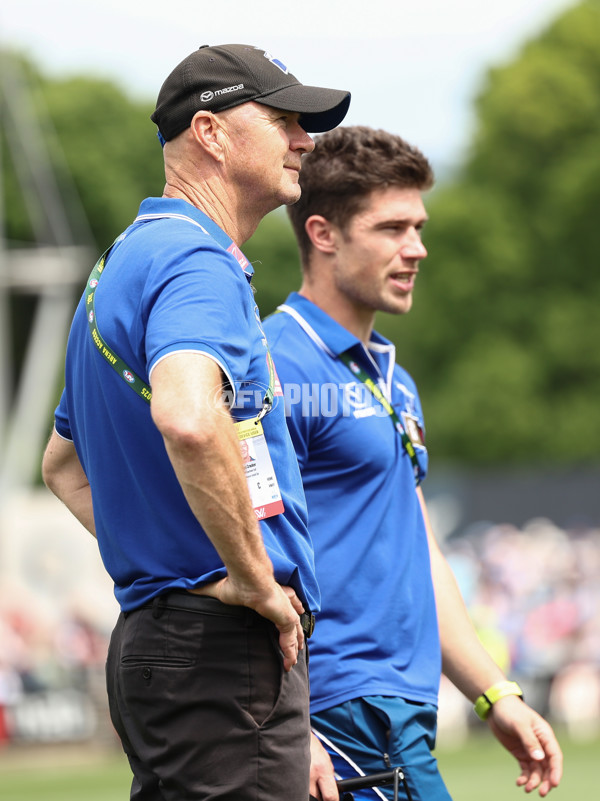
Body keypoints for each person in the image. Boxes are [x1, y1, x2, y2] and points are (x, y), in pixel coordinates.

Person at [41, 44, 350, 801]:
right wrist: (247, 579)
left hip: (166, 642)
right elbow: (187, 416)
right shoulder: (196, 258)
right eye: (283, 120)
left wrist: (173, 558)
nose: (305, 140)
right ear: (211, 133)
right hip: (219, 647)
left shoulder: (123, 261)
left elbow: (63, 465)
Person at [263, 126, 563, 801]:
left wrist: (494, 695)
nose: (416, 248)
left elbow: (422, 552)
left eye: (418, 226)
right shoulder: (272, 363)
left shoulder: (392, 377)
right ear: (324, 232)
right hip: (341, 712)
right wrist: (286, 722)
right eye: (393, 228)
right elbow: (243, 549)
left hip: (402, 709)